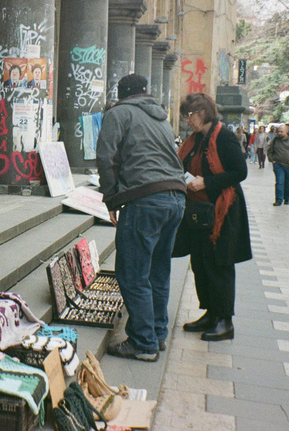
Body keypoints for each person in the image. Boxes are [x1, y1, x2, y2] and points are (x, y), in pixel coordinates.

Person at [96, 74, 186, 361]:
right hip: (175, 197)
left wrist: (111, 197)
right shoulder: (160, 116)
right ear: (145, 93)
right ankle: (157, 334)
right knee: (158, 270)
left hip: (145, 197)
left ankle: (144, 342)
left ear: (121, 94)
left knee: (133, 273)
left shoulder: (118, 113)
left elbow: (106, 157)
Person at [175, 93, 252, 342]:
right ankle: (210, 313)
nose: (187, 121)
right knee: (200, 263)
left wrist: (206, 182)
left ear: (202, 113)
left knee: (220, 266)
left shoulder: (225, 137)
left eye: (189, 115)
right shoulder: (196, 139)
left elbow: (240, 172)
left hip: (222, 213)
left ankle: (225, 321)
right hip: (199, 213)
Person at [267, 124, 289, 206]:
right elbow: (269, 151)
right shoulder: (275, 140)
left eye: (281, 132)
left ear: (287, 131)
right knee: (279, 181)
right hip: (278, 165)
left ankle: (286, 198)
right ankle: (278, 200)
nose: (279, 133)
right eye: (278, 132)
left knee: (288, 182)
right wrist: (272, 160)